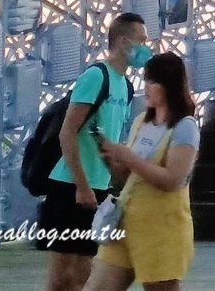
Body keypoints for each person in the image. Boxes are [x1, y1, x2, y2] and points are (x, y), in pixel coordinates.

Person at [37, 13, 147, 291]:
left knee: (85, 273)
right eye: (142, 40)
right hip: (69, 187)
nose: (146, 47)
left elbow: (104, 138)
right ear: (123, 42)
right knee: (62, 277)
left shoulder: (126, 85)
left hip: (99, 189)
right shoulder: (96, 76)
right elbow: (67, 132)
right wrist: (82, 186)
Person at [84, 52, 199, 291]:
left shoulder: (185, 127)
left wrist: (127, 155)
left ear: (170, 86)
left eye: (153, 81)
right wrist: (109, 157)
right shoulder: (141, 122)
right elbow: (127, 175)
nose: (146, 87)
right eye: (145, 79)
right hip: (124, 222)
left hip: (161, 229)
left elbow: (172, 180)